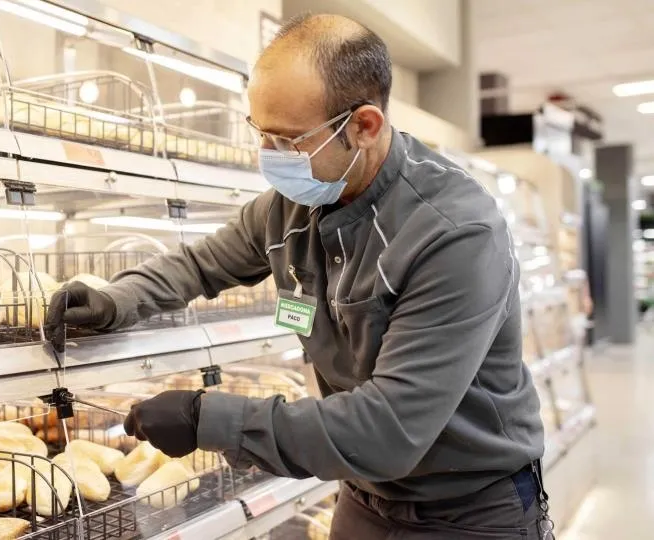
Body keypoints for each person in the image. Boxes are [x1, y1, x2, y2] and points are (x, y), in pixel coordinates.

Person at [46, 13, 550, 539]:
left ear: (364, 126)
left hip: (468, 511)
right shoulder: (288, 209)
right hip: (363, 495)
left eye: (288, 140)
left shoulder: (454, 233)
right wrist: (115, 301)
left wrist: (206, 418)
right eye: (260, 133)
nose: (270, 157)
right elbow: (199, 264)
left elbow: (389, 430)